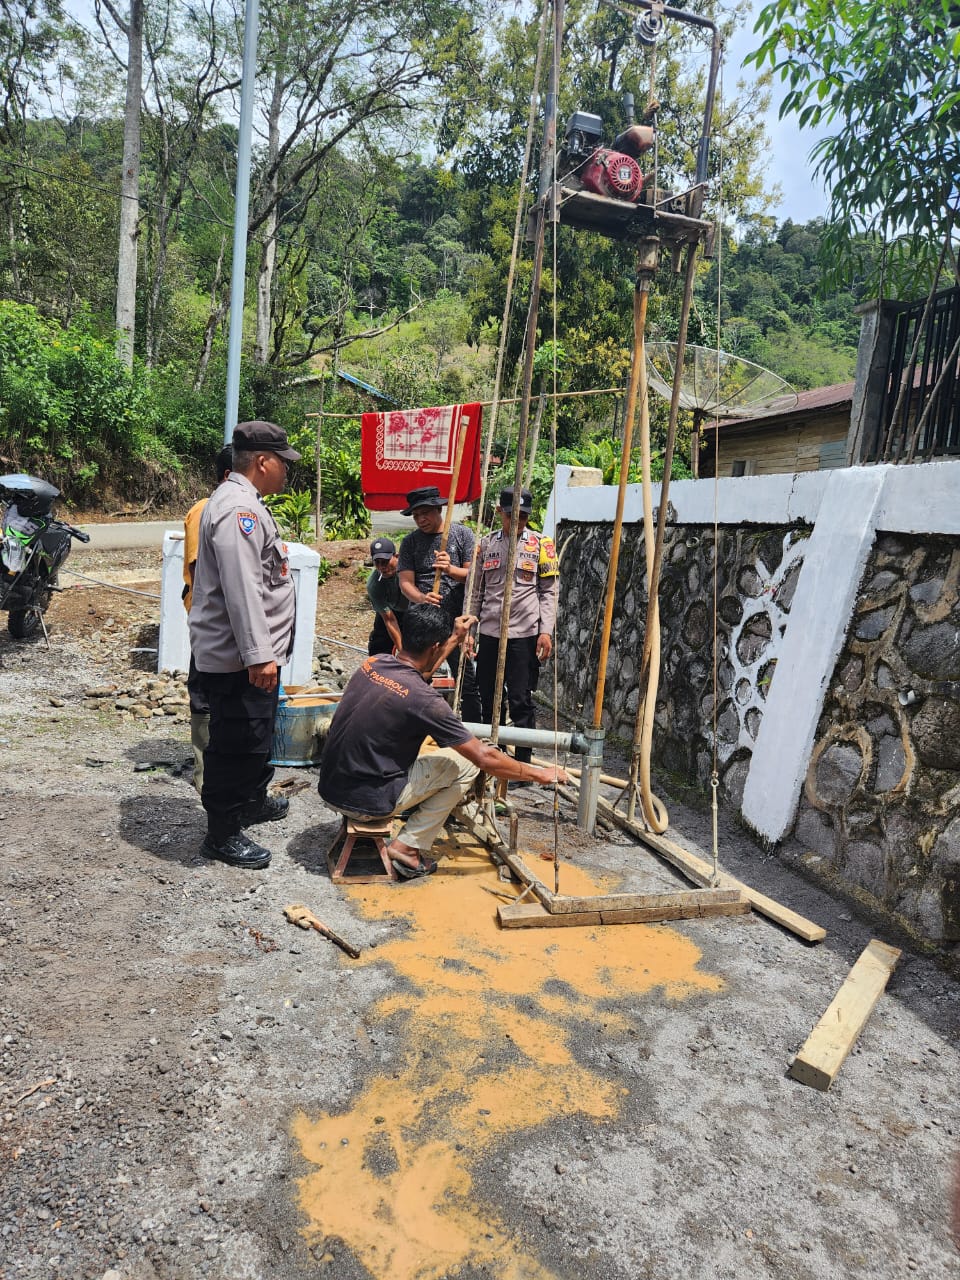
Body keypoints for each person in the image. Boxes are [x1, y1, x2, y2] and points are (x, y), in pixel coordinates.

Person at [317, 603, 568, 878]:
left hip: (330, 789)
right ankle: (408, 847)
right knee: (467, 764)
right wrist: (539, 774)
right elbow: (484, 757)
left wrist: (455, 638)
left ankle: (400, 833)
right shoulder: (426, 701)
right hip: (366, 803)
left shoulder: (373, 663)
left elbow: (417, 673)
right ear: (435, 647)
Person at [189, 420, 301, 871]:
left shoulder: (244, 503)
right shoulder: (239, 510)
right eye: (284, 463)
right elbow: (243, 590)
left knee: (257, 734)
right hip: (240, 659)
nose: (287, 471)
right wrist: (259, 655)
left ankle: (252, 801)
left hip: (248, 655)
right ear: (263, 462)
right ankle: (222, 833)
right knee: (236, 742)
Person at [471, 486, 559, 772]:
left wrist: (545, 631)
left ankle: (522, 765)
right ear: (500, 512)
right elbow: (476, 592)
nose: (517, 521)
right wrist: (470, 631)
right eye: (512, 515)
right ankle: (492, 759)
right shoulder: (485, 545)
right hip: (490, 633)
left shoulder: (542, 545)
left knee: (521, 699)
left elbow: (549, 592)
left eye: (523, 516)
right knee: (488, 697)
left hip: (524, 635)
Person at [396, 484, 482, 720]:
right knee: (417, 675)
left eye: (425, 513)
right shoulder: (410, 542)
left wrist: (450, 569)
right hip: (422, 620)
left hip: (456, 621)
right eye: (416, 515)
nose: (420, 519)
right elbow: (405, 583)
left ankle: (473, 728)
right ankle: (413, 723)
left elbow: (474, 576)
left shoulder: (462, 534)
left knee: (465, 677)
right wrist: (422, 598)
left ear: (439, 509)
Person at [182, 444, 232, 795]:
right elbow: (202, 571)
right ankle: (206, 776)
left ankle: (223, 770)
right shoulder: (205, 510)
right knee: (204, 694)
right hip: (214, 624)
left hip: (230, 624)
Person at [365, 536, 406, 655]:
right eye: (377, 562)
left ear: (396, 557)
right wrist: (401, 650)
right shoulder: (374, 584)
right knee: (379, 644)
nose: (381, 567)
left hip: (413, 610)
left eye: (385, 561)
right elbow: (389, 620)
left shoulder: (409, 571)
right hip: (390, 611)